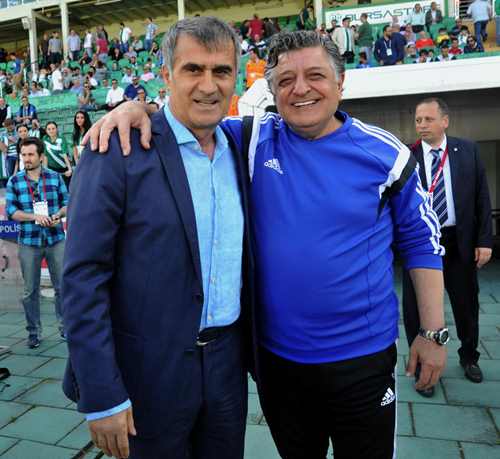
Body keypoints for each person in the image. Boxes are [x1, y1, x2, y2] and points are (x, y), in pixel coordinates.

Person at [88, 29, 448, 459]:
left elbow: (422, 243)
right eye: (285, 81)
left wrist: (432, 333)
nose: (301, 90)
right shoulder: (251, 138)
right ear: (272, 90)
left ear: (340, 81)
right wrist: (136, 107)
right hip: (278, 364)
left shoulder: (385, 154)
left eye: (315, 76)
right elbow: (188, 115)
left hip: (362, 360)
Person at [62, 16, 254, 459]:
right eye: (193, 70)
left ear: (236, 77)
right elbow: (83, 278)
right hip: (146, 375)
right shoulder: (117, 149)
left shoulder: (242, 146)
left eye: (221, 71)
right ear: (166, 76)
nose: (209, 85)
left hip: (227, 370)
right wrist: (102, 394)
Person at [403, 97, 492, 395]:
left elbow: (481, 198)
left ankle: (469, 357)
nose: (422, 125)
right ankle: (422, 369)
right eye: (418, 120)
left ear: (445, 121)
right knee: (416, 310)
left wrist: (484, 240)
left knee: (466, 305)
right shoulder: (406, 156)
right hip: (420, 244)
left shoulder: (467, 151)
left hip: (459, 242)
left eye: (428, 119)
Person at [5, 137, 68, 348]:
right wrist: (35, 217)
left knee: (62, 287)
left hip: (55, 239)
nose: (26, 159)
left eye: (31, 154)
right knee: (30, 291)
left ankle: (66, 328)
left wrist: (58, 215)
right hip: (29, 242)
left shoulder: (56, 178)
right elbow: (11, 212)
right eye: (23, 155)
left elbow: (68, 203)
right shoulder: (14, 181)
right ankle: (34, 333)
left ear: (41, 156)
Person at [42, 121, 73, 187]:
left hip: (63, 169)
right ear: (46, 130)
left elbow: (65, 155)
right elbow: (45, 156)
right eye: (49, 129)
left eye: (53, 128)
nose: (51, 131)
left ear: (56, 129)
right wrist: (45, 170)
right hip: (51, 169)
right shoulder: (44, 139)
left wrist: (69, 169)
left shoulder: (61, 138)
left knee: (66, 188)